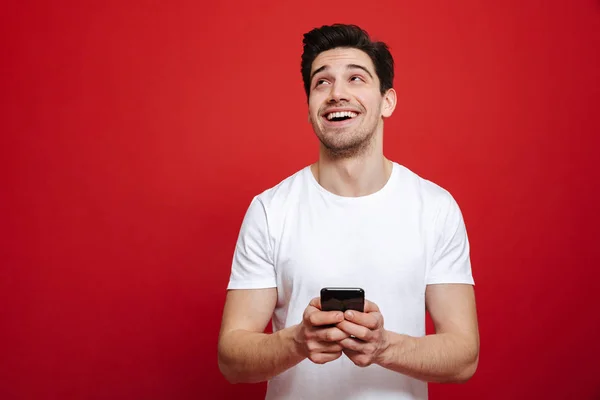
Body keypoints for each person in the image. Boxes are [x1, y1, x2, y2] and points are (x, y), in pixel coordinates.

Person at [217, 23, 479, 400]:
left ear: (387, 101)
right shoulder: (270, 211)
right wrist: (296, 342)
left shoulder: (435, 208)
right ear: (309, 108)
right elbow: (231, 359)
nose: (337, 93)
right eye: (322, 83)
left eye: (356, 78)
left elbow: (464, 356)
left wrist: (384, 346)